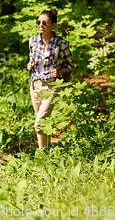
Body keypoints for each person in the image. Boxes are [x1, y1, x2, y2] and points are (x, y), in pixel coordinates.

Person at [27, 9, 73, 150]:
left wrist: (59, 72)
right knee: (43, 122)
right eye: (38, 22)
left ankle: (42, 152)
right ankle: (47, 152)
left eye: (44, 22)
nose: (41, 25)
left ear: (53, 24)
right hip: (35, 85)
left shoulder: (61, 43)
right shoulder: (33, 41)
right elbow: (31, 60)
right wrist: (29, 65)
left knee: (39, 123)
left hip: (52, 87)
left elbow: (70, 64)